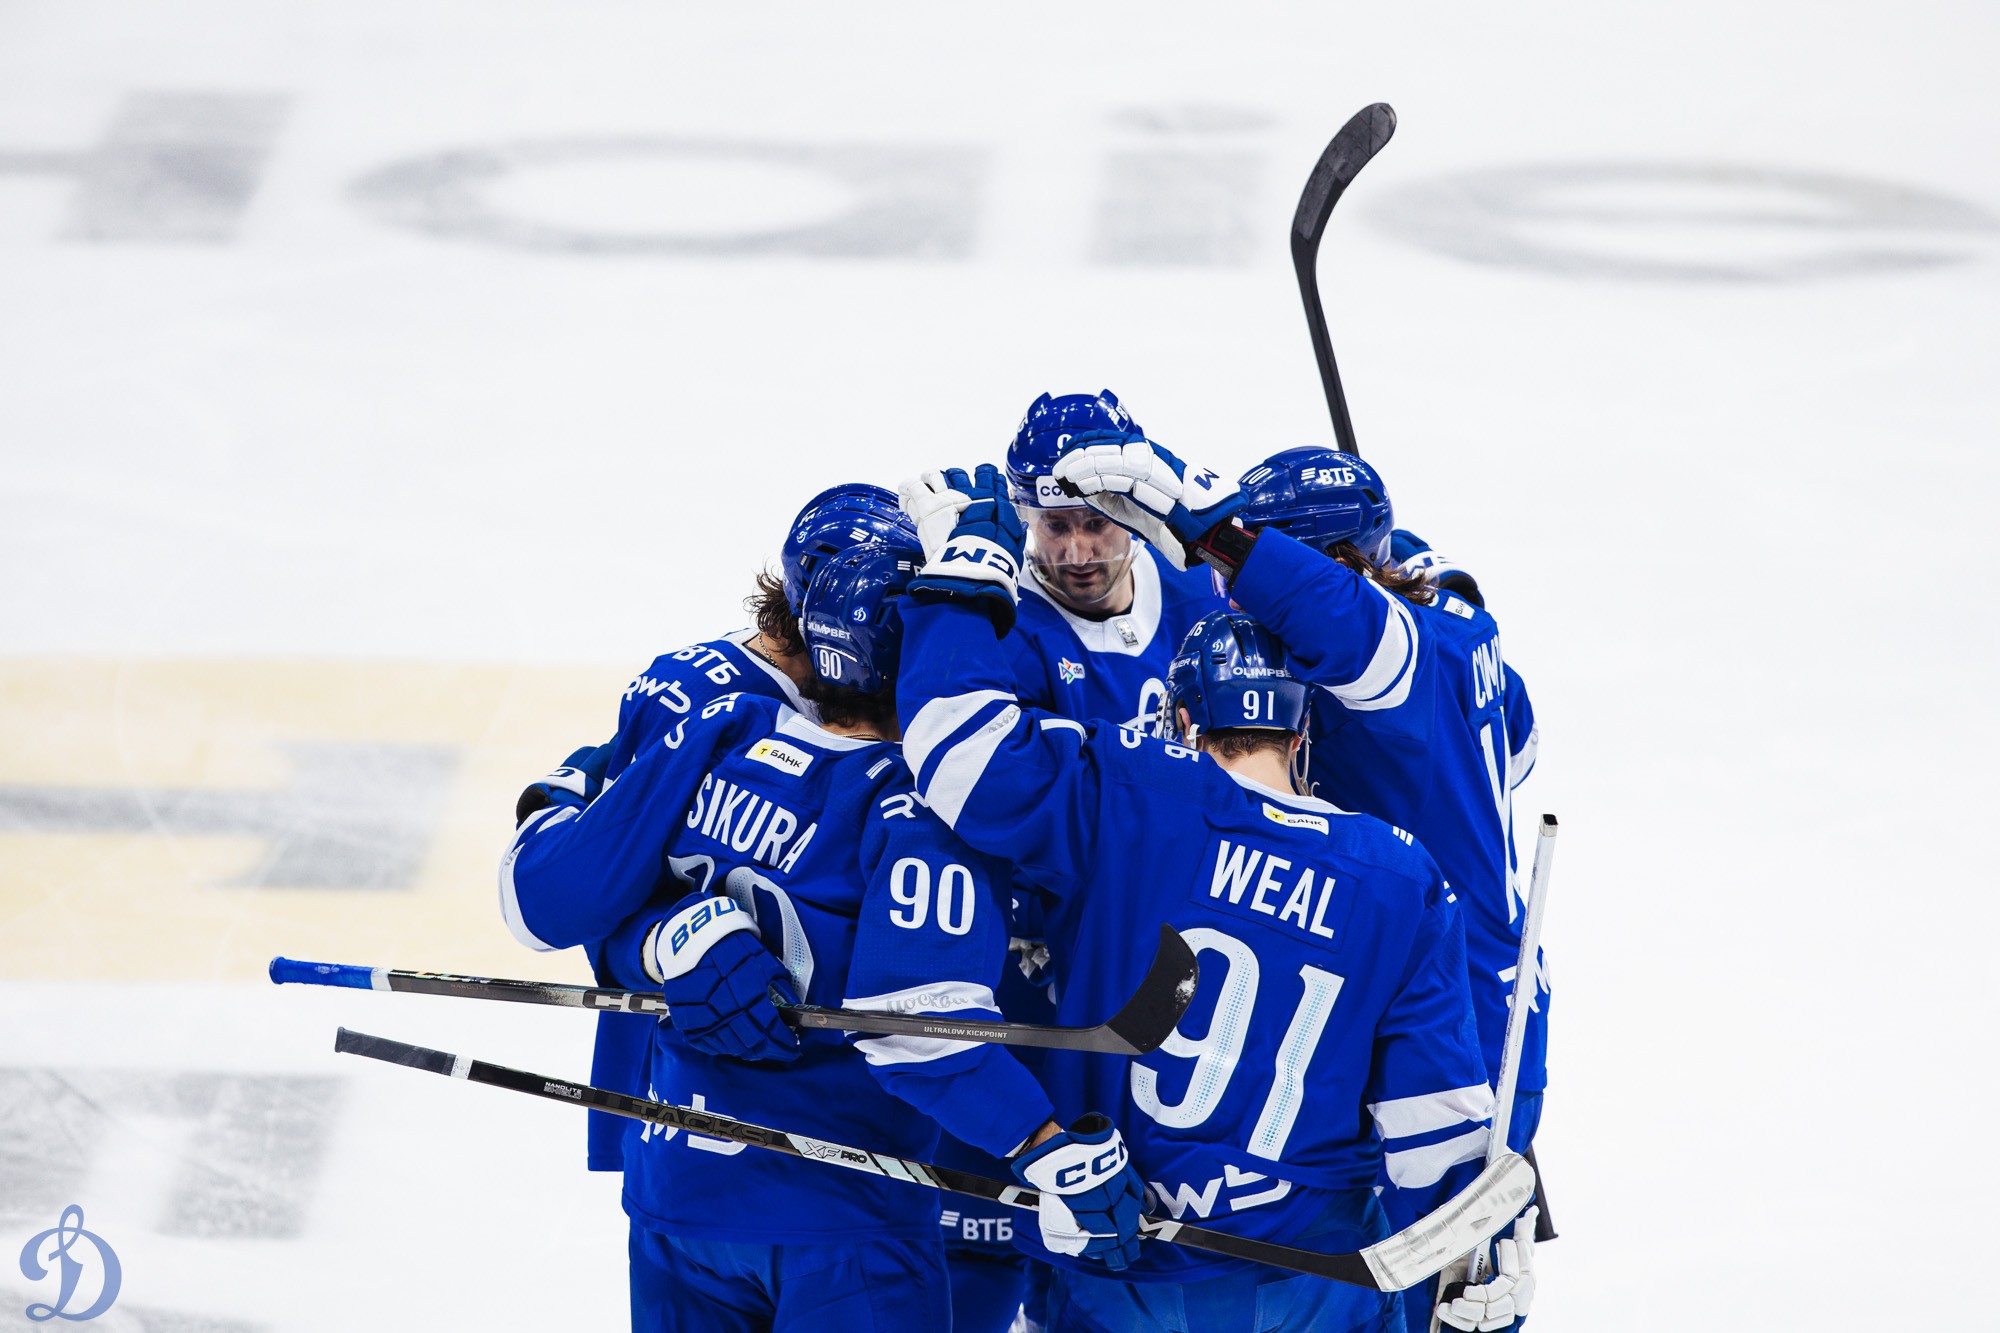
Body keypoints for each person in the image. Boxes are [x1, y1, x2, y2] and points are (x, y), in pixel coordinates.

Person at [892, 465, 1498, 1333]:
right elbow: (1434, 1136)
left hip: (1121, 1273)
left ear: (1181, 719)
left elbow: (959, 752)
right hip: (1311, 1287)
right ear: (1303, 728)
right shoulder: (1402, 874)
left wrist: (962, 580)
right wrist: (1478, 1272)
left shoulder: (1129, 789)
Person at [500, 537, 1145, 1333]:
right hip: (839, 1221)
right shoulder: (919, 812)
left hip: (678, 1193)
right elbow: (914, 1027)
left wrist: (653, 923)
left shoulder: (720, 729)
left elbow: (572, 898)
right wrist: (1042, 1143)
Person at [1047, 436, 1546, 1332]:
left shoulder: (1395, 662)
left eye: (1250, 577)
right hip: (1486, 999)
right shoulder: (1462, 630)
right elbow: (1516, 736)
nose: (1231, 594)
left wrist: (1218, 529)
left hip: (1445, 1013)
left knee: (1445, 1285)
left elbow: (1348, 624)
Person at [505, 483, 918, 1176]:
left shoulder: (792, 689)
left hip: (803, 1096)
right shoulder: (710, 701)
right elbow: (606, 893)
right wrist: (672, 937)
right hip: (686, 1069)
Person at [1003, 391, 1225, 735]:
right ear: (1025, 517)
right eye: (1055, 526)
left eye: (1097, 523)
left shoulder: (1204, 585)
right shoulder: (1003, 627)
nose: (1078, 556)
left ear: (1133, 508)